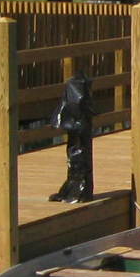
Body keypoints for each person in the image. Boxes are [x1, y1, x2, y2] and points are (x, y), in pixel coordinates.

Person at [48, 72, 95, 203]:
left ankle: (80, 192)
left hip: (80, 124)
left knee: (80, 156)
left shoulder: (79, 99)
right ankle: (73, 188)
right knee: (74, 155)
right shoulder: (76, 99)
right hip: (78, 123)